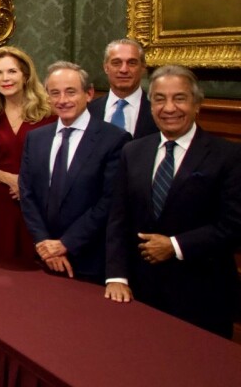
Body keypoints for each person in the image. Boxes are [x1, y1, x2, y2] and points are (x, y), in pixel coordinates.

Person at [104, 65, 241, 338]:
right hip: (141, 292)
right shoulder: (133, 151)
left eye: (179, 98)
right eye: (159, 99)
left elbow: (234, 225)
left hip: (202, 294)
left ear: (197, 104)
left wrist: (175, 245)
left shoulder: (228, 156)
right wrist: (117, 276)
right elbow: (118, 218)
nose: (169, 108)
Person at [19, 62, 128, 283]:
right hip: (43, 256)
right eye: (55, 93)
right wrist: (44, 243)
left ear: (89, 94)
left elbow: (109, 200)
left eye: (70, 92)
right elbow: (27, 193)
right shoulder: (36, 138)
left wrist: (65, 244)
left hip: (89, 258)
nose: (62, 100)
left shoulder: (114, 139)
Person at [0, 46, 56, 263]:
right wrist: (9, 179)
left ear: (26, 75)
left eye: (12, 71)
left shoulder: (49, 113)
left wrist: (27, 185)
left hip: (38, 202)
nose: (5, 78)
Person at [88, 38, 157, 140]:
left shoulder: (157, 109)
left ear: (143, 68)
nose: (124, 70)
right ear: (106, 67)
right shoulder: (88, 111)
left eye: (132, 63)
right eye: (116, 63)